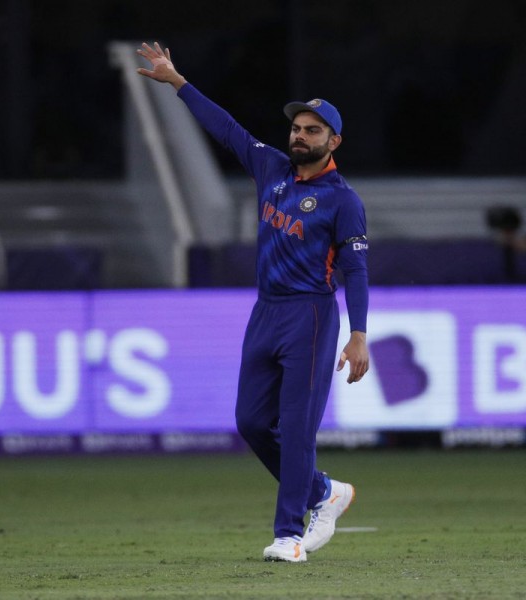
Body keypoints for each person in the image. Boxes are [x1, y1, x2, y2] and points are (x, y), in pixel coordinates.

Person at [136, 42, 369, 562]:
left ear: (334, 141)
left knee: (298, 429)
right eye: (296, 128)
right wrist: (178, 81)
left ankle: (290, 536)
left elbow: (354, 267)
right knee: (250, 422)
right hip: (265, 312)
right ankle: (323, 492)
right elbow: (226, 130)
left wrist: (358, 333)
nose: (299, 136)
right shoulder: (272, 169)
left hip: (311, 315)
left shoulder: (342, 201)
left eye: (312, 130)